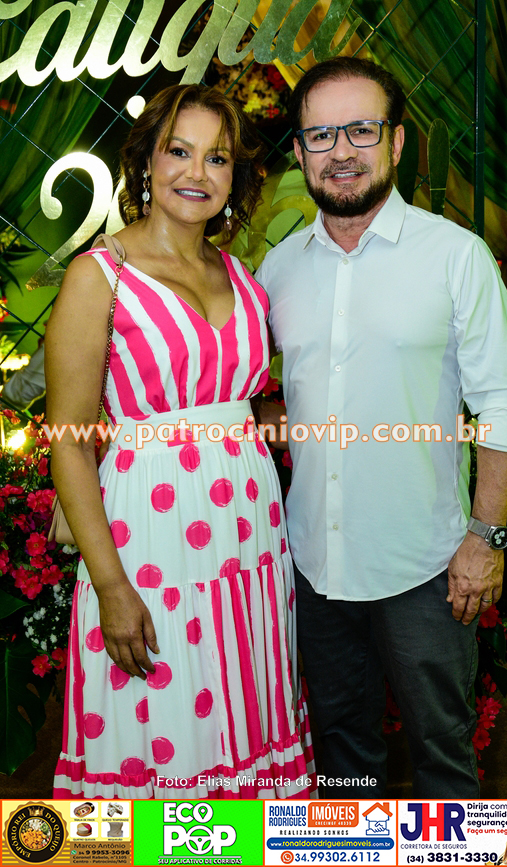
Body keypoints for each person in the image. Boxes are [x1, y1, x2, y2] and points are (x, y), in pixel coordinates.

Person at [255, 57, 507, 797]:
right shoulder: (278, 270)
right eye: (321, 135)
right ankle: (356, 848)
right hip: (314, 563)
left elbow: (504, 403)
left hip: (428, 567)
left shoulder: (455, 257)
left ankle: (455, 849)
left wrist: (484, 539)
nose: (341, 151)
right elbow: (237, 389)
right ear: (299, 152)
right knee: (342, 755)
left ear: (396, 142)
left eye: (361, 129)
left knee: (444, 752)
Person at [46, 83, 315, 799]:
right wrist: (111, 586)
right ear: (146, 163)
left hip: (249, 544)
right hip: (149, 544)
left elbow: (235, 408)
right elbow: (68, 441)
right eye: (179, 151)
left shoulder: (241, 275)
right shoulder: (98, 277)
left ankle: (250, 840)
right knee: (164, 722)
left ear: (235, 175)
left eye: (216, 158)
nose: (197, 173)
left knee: (245, 706)